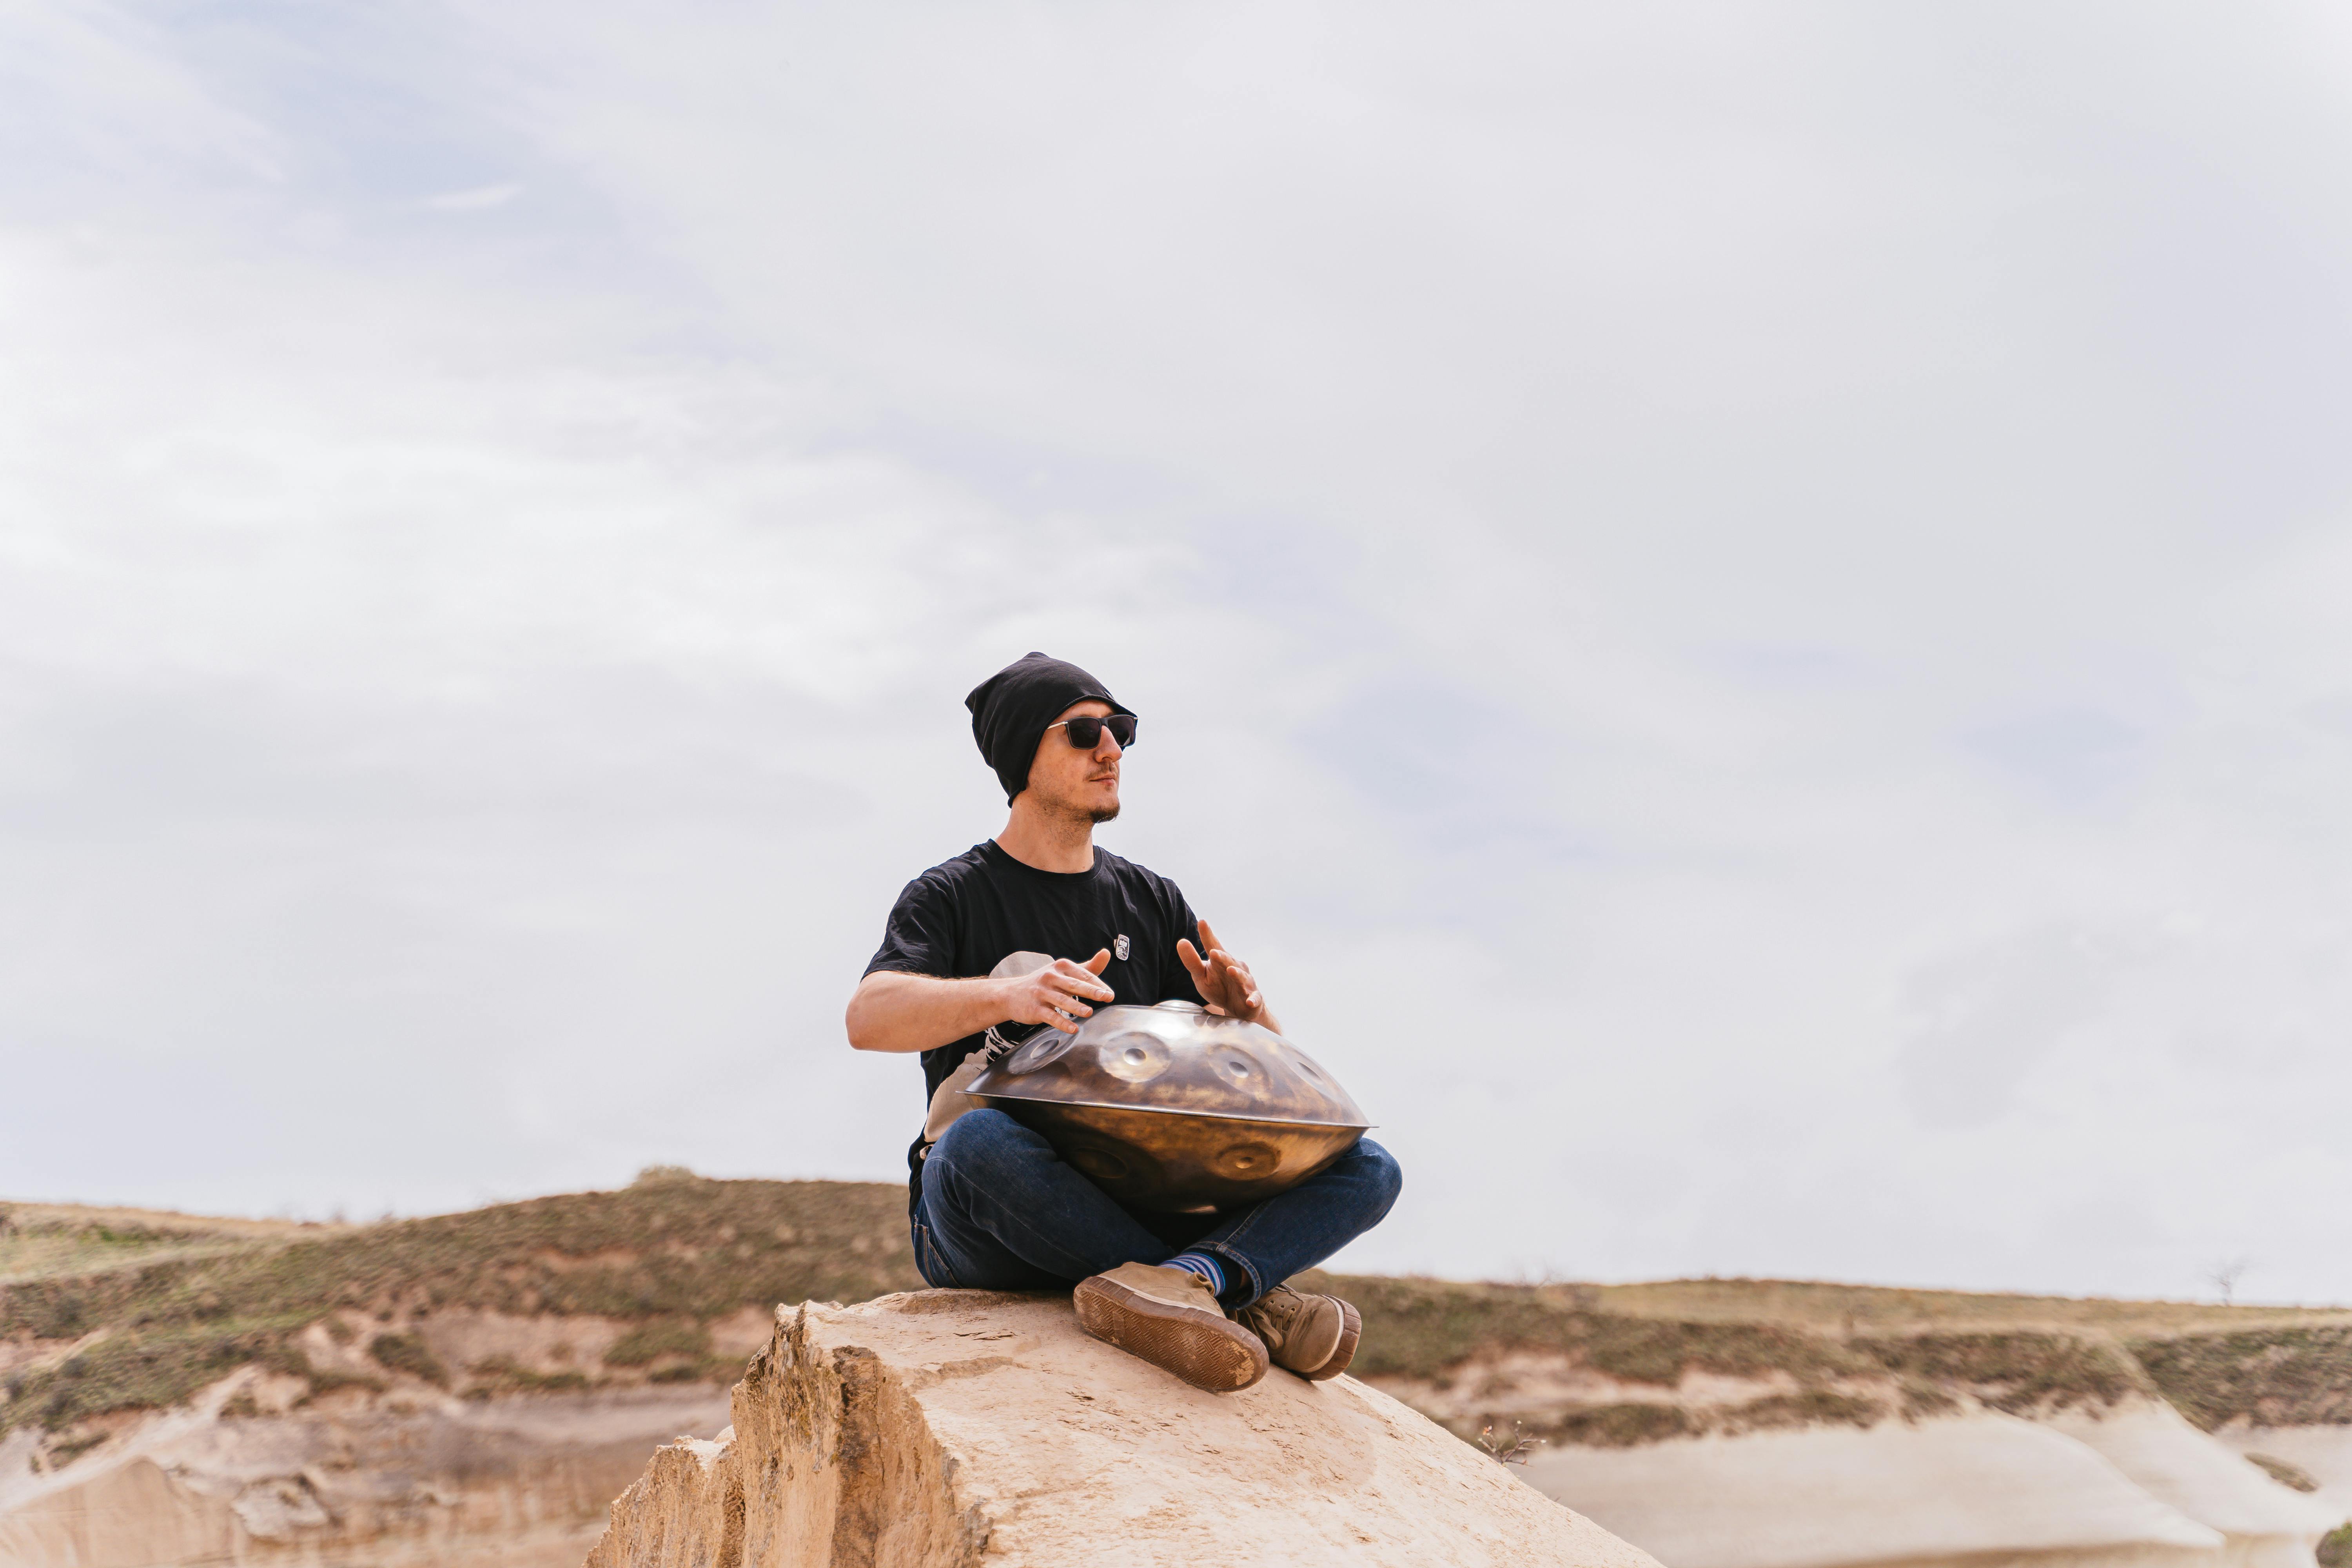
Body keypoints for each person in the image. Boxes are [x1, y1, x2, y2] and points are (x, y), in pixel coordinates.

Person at [846, 652, 1402, 1393]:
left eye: (1121, 730)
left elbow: (1266, 1095)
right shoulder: (952, 894)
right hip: (990, 1212)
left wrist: (1247, 1016)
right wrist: (1008, 998)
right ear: (1023, 753)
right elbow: (867, 1018)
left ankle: (1189, 1279)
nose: (1111, 750)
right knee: (976, 1143)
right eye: (1084, 733)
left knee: (1369, 1166)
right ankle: (1249, 1295)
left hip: (1137, 1194)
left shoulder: (1150, 898)